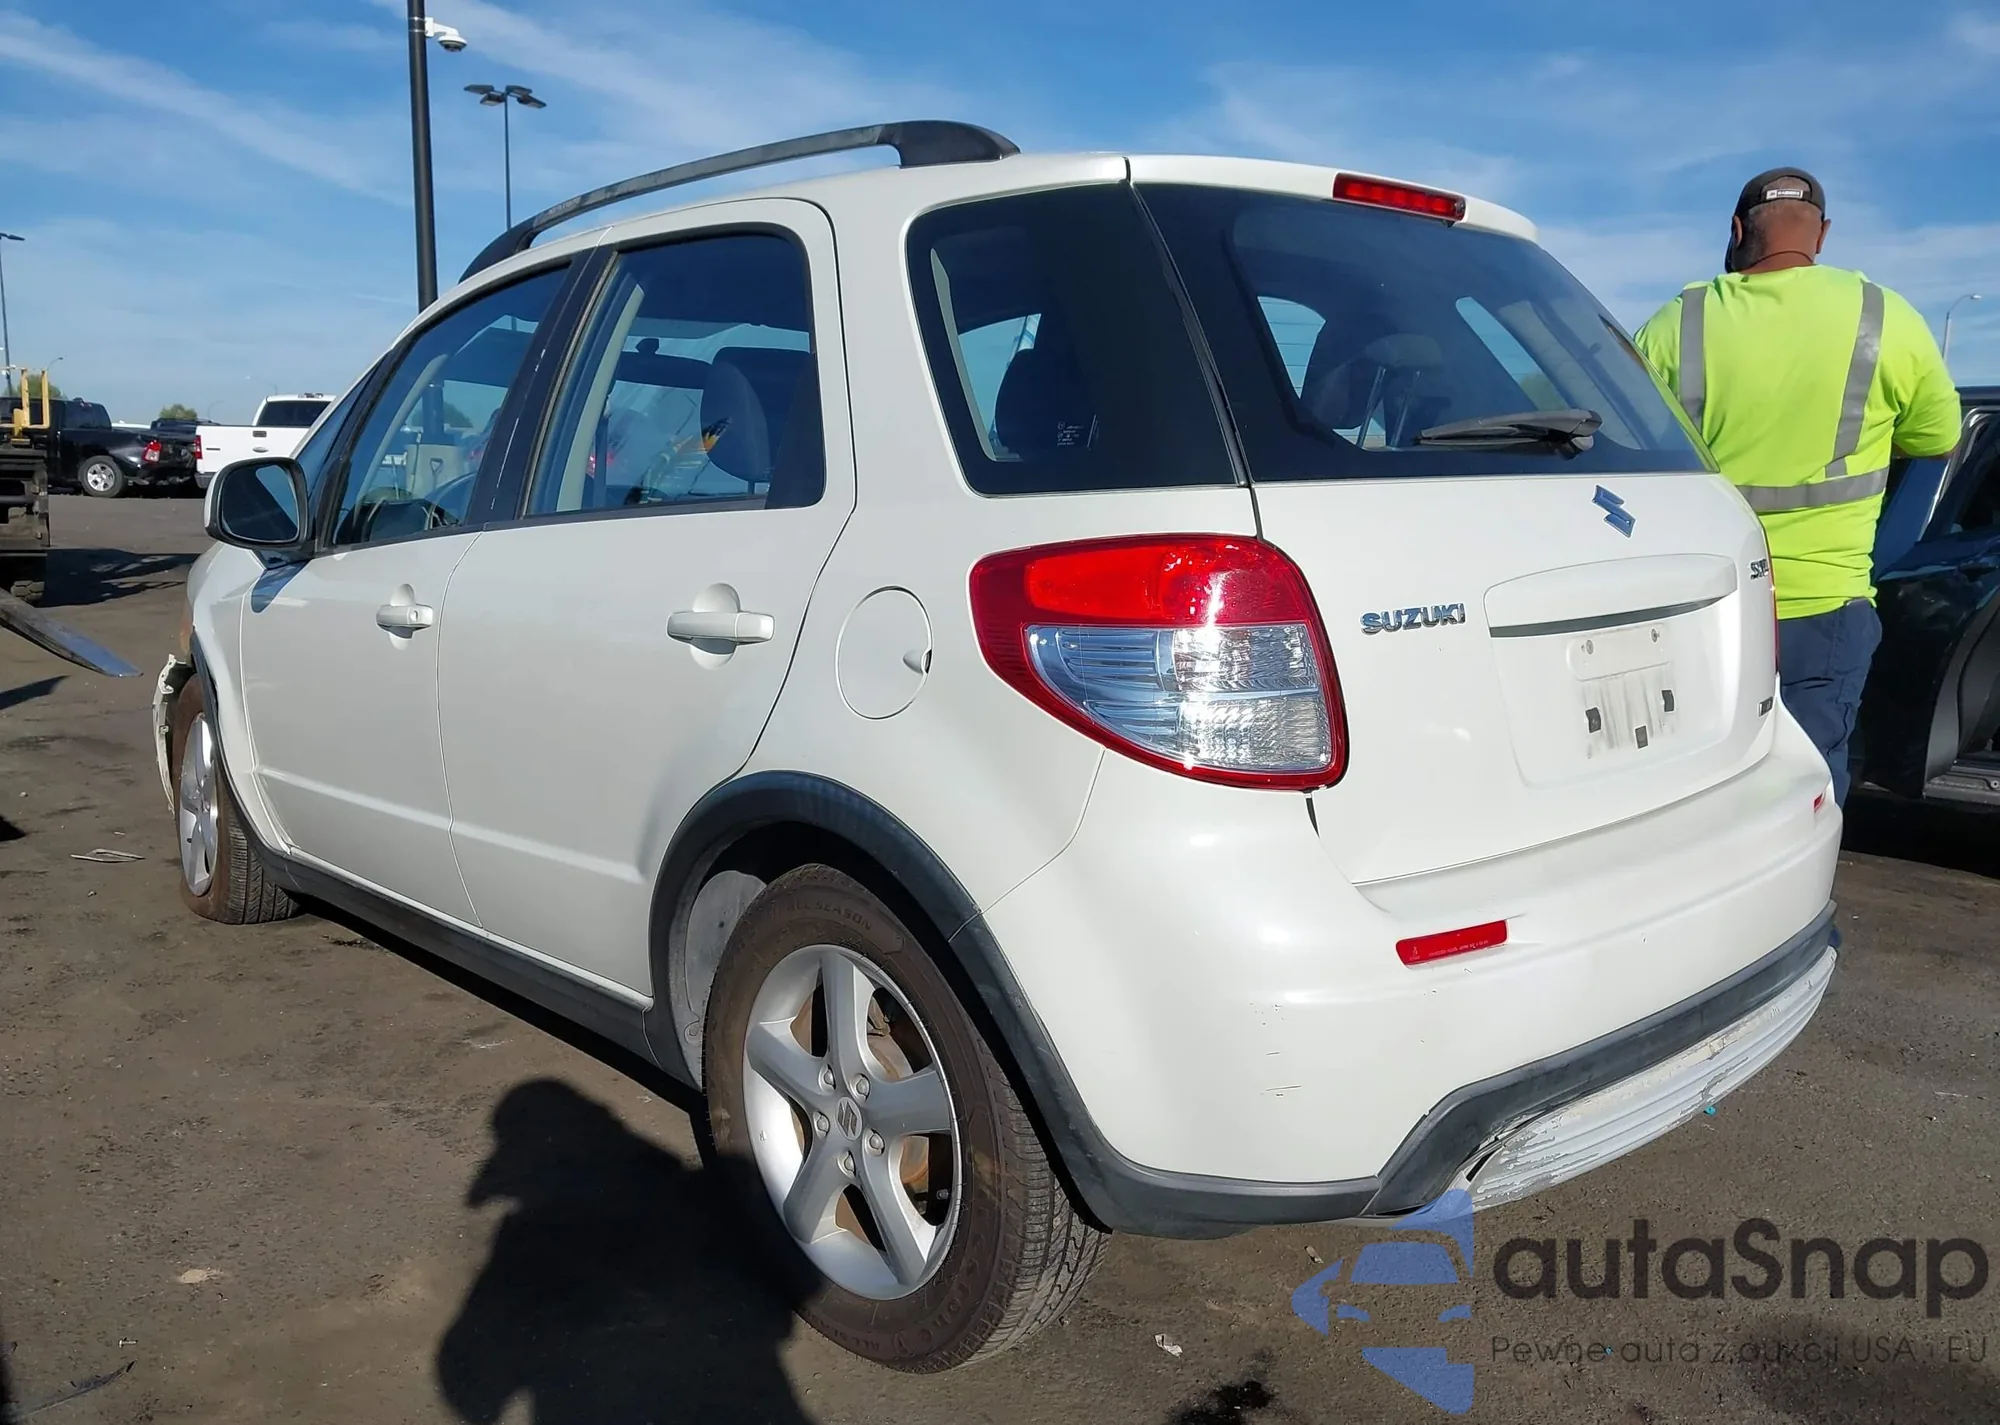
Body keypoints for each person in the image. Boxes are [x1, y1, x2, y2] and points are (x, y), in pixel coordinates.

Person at [1634, 168, 1962, 805]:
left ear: (1736, 232)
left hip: (1707, 604)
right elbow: (1939, 440)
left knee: (1694, 792)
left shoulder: (1680, 320)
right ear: (1824, 234)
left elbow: (1630, 448)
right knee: (1804, 790)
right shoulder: (1884, 317)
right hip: (1825, 604)